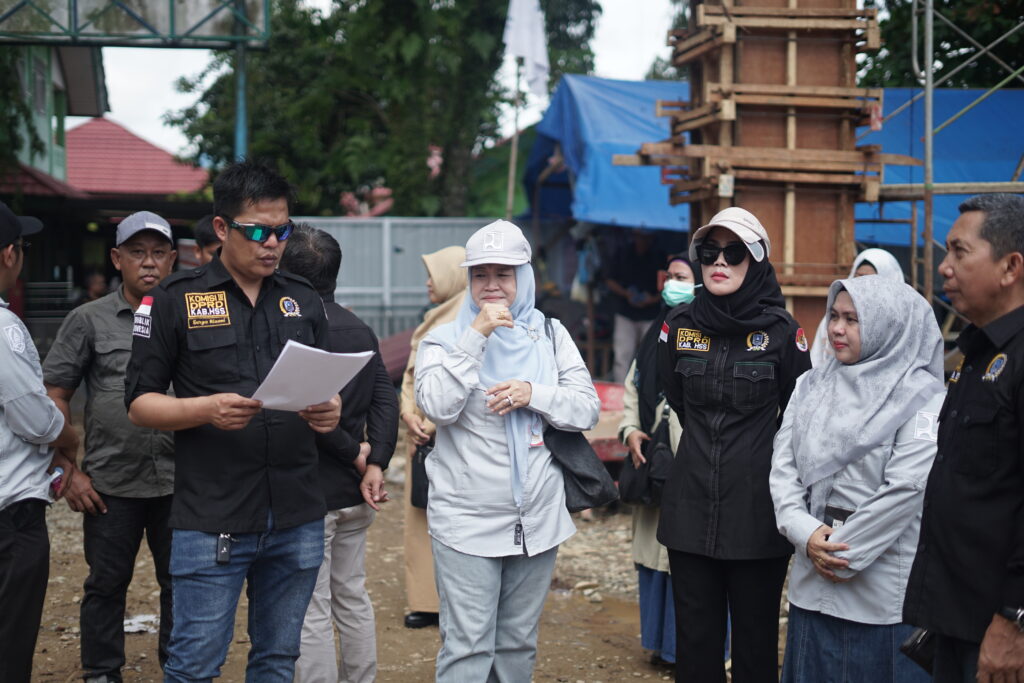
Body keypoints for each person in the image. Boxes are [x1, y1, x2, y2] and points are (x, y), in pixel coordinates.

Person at [124, 160, 341, 682]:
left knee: (277, 660)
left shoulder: (302, 299)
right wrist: (205, 409)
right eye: (258, 231)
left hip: (296, 513)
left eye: (282, 231)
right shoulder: (175, 299)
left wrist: (329, 408)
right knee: (195, 666)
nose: (273, 244)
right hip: (213, 516)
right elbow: (139, 404)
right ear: (221, 228)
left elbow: (325, 384)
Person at [415, 220, 600, 681]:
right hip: (466, 521)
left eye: (504, 273)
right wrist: (475, 336)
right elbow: (436, 406)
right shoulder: (443, 339)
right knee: (468, 647)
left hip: (537, 518)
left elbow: (586, 408)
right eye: (480, 274)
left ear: (525, 277)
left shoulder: (551, 335)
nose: (492, 285)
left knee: (517, 643)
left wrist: (533, 393)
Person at [657, 206, 812, 683]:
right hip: (690, 511)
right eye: (709, 252)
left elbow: (801, 417)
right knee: (695, 647)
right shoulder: (678, 326)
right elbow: (677, 400)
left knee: (755, 648)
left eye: (734, 252)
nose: (719, 262)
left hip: (757, 514)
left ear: (757, 260)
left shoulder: (782, 332)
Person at [770, 276, 944, 683]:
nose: (836, 328)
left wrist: (840, 554)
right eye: (834, 315)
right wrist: (804, 532)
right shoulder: (810, 386)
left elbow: (906, 489)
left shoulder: (922, 398)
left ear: (888, 325)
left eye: (853, 319)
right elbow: (783, 468)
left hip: (880, 596)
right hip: (812, 583)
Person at [43, 211, 178, 683]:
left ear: (173, 260)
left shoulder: (187, 316)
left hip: (181, 479)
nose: (149, 263)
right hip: (110, 482)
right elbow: (55, 396)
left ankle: (181, 668)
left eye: (158, 253)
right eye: (137, 253)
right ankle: (102, 672)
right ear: (117, 259)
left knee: (181, 582)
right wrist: (67, 470)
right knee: (105, 583)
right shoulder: (88, 320)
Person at [903, 193, 1024, 683]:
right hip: (957, 619)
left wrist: (1015, 619)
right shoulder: (976, 354)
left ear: (1010, 267)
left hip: (1001, 634)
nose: (944, 266)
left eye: (959, 251)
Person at [281, 224, 398, 683]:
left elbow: (311, 414)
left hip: (310, 494)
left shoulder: (295, 331)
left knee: (310, 605)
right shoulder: (359, 328)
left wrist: (357, 455)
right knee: (352, 596)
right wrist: (375, 462)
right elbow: (386, 398)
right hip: (355, 493)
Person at [0, 201, 78, 683]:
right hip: (10, 517)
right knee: (9, 649)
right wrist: (71, 439)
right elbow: (36, 419)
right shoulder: (4, 328)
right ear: (9, 254)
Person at [618, 255, 694, 665]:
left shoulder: (708, 332)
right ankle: (662, 648)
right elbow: (633, 386)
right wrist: (630, 430)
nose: (672, 284)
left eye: (683, 277)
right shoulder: (656, 333)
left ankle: (689, 650)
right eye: (670, 277)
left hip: (692, 468)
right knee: (654, 562)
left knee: (690, 565)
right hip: (652, 464)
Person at [399, 244, 466, 629]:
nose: (427, 283)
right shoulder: (434, 317)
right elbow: (410, 377)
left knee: (451, 522)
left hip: (450, 437)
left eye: (434, 274)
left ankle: (454, 601)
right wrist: (409, 414)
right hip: (421, 434)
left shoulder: (470, 321)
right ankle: (425, 600)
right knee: (420, 516)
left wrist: (429, 423)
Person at [809, 248, 903, 366]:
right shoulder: (832, 320)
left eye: (851, 319)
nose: (837, 329)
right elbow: (816, 361)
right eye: (858, 277)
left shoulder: (899, 327)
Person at [606, 229, 665, 383]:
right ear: (634, 236)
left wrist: (652, 299)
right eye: (639, 237)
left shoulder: (659, 256)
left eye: (646, 237)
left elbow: (668, 285)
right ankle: (620, 391)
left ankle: (648, 390)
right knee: (622, 356)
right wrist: (626, 293)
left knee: (651, 356)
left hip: (651, 315)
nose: (642, 241)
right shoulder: (623, 254)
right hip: (625, 313)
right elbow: (610, 280)